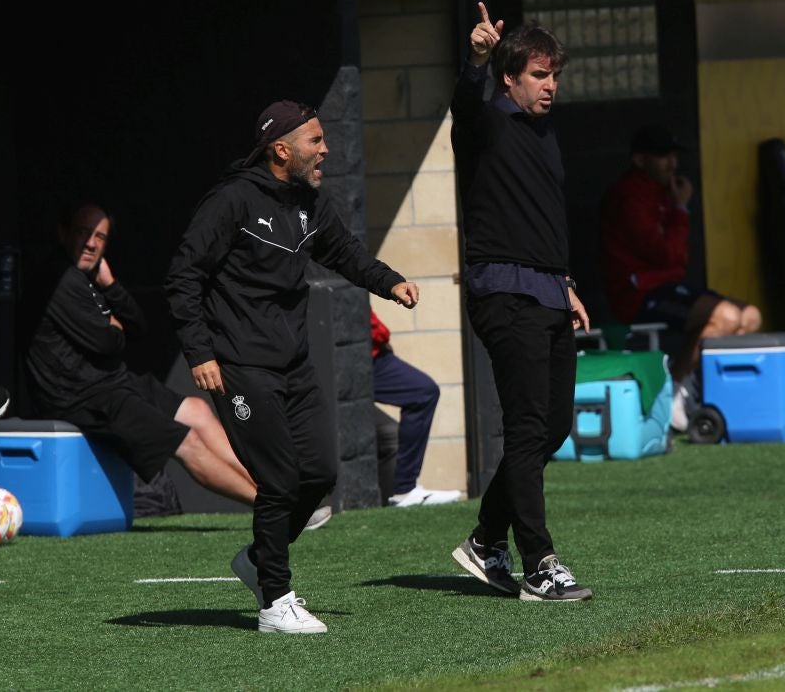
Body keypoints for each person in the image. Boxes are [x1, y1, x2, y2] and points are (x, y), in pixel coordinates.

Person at [165, 100, 418, 634]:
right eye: (315, 141)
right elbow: (183, 277)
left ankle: (259, 560)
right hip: (238, 364)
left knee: (320, 474)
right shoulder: (231, 201)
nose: (325, 148)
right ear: (282, 150)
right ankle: (275, 603)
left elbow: (347, 254)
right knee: (278, 478)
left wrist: (390, 283)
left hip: (293, 364)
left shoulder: (311, 204)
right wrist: (200, 353)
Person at [449, 2, 592, 603]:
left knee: (552, 426)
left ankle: (485, 539)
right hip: (504, 293)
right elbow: (463, 109)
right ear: (510, 78)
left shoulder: (544, 132)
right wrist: (476, 59)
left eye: (554, 74)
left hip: (548, 290)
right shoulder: (487, 123)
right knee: (529, 426)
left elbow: (541, 219)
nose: (550, 85)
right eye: (538, 74)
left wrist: (567, 283)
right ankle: (539, 563)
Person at [23, 204, 257, 511]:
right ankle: (273, 509)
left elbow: (137, 327)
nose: (91, 243)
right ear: (63, 233)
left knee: (197, 409)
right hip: (81, 398)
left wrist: (111, 286)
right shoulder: (61, 278)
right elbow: (106, 342)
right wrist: (112, 328)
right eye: (83, 233)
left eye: (99, 236)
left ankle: (274, 492)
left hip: (110, 382)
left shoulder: (89, 276)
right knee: (186, 442)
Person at [599, 125, 762, 426]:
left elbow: (676, 259)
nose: (672, 164)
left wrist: (677, 210)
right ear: (639, 159)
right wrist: (681, 210)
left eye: (674, 156)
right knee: (725, 317)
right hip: (637, 295)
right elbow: (666, 254)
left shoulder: (663, 194)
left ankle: (695, 388)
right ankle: (671, 392)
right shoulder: (630, 195)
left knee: (749, 316)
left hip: (665, 286)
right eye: (663, 156)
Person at [370, 310, 461, 507]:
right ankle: (403, 490)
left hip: (375, 352)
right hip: (360, 355)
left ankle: (404, 490)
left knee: (423, 393)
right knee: (421, 394)